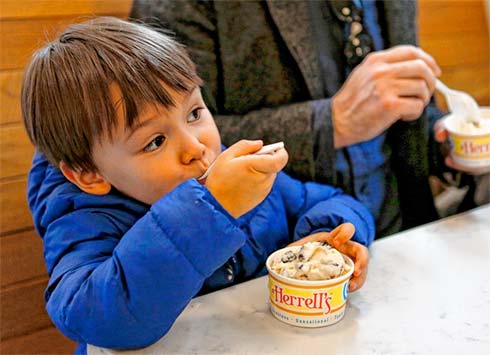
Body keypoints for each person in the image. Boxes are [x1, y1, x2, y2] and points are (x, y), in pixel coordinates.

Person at [21, 17, 375, 353]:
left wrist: (333, 235)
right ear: (90, 175)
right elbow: (101, 318)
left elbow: (330, 200)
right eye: (155, 141)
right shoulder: (86, 221)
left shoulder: (243, 176)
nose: (195, 147)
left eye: (194, 113)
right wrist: (210, 208)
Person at [130, 0, 487, 237]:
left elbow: (395, 115)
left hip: (404, 236)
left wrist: (446, 141)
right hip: (278, 258)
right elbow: (172, 141)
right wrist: (332, 123)